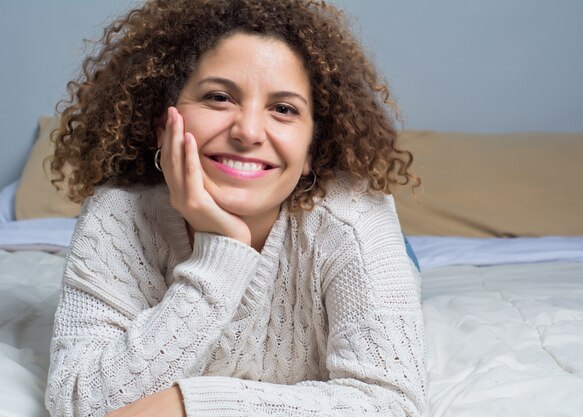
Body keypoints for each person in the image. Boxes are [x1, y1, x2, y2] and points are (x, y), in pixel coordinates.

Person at [45, 0, 426, 416]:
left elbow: (393, 403)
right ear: (162, 125)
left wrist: (187, 405)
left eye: (283, 109)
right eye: (219, 97)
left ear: (312, 151)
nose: (247, 132)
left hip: (346, 234)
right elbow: (80, 401)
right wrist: (222, 251)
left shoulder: (353, 221)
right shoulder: (115, 215)